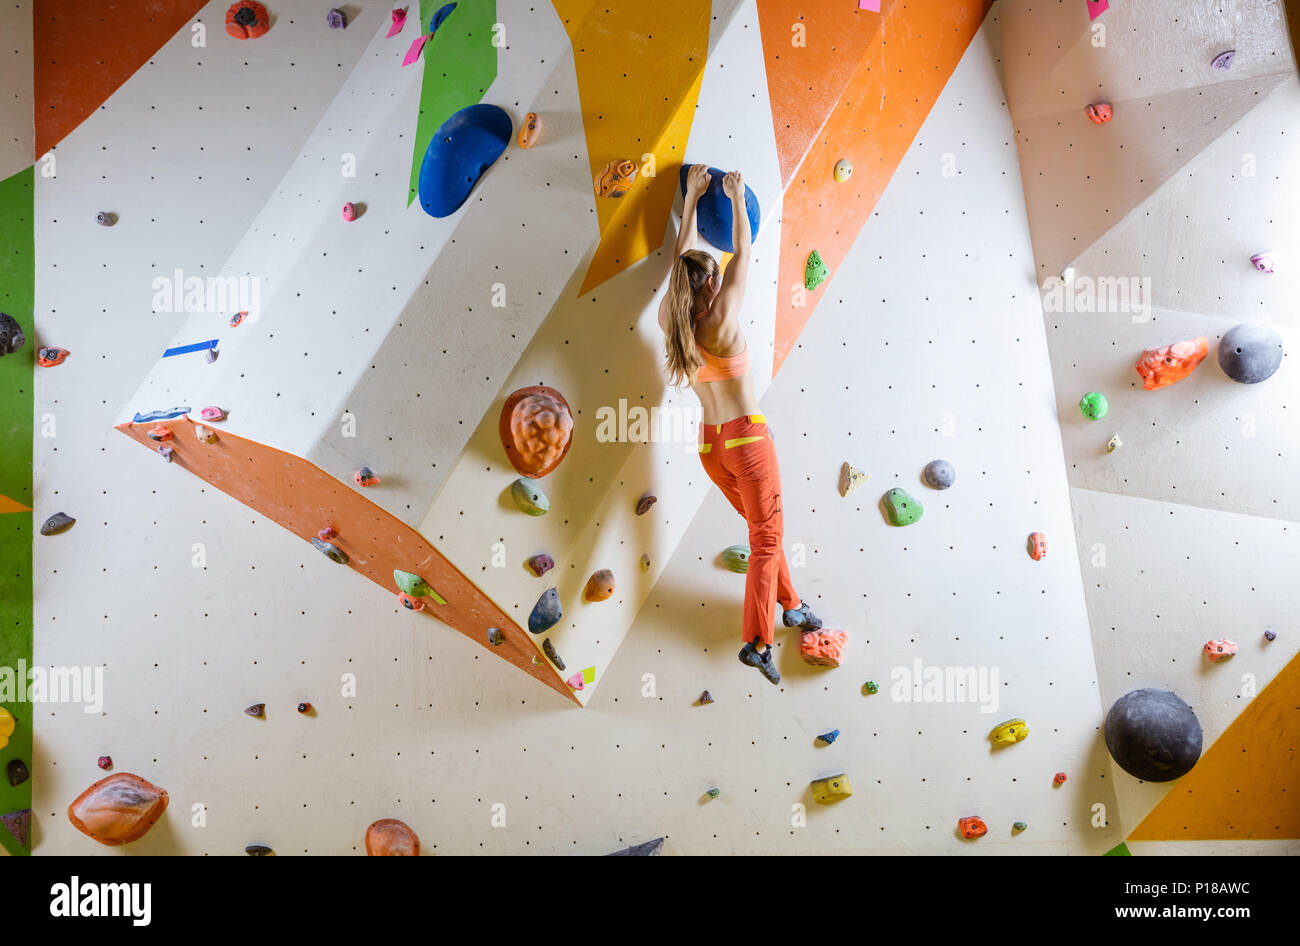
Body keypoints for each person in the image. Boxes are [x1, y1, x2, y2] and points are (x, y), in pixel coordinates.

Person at [657, 164, 821, 685]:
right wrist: (731, 198)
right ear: (709, 284)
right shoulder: (720, 320)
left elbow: (679, 264)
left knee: (761, 532)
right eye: (712, 276)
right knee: (766, 543)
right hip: (748, 442)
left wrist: (693, 201)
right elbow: (743, 254)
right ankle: (758, 641)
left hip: (712, 449)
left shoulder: (672, 320)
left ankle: (792, 607)